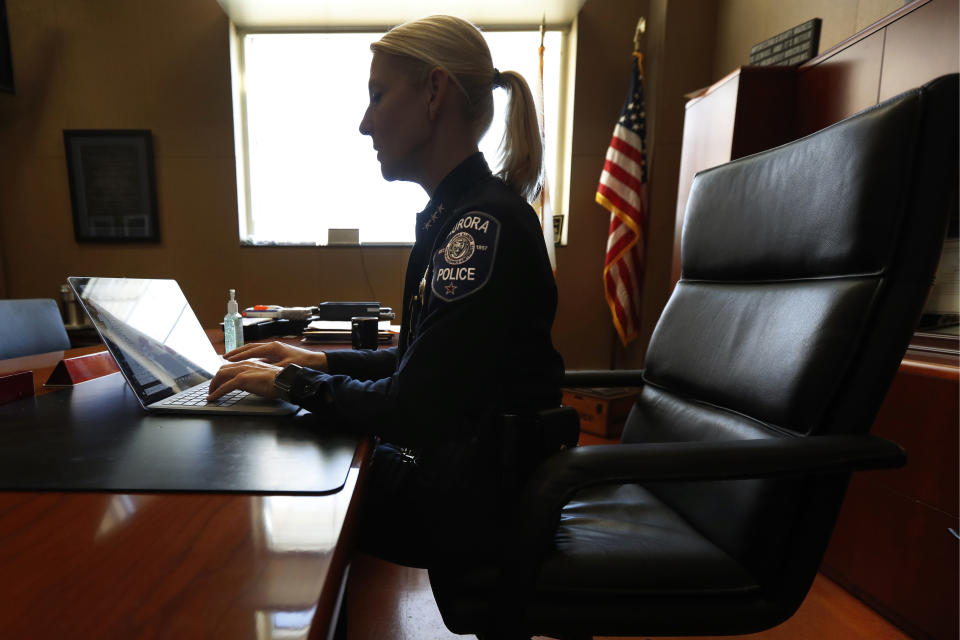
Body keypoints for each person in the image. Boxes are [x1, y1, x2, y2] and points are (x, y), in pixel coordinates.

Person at [208, 15, 564, 568]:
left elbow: (413, 406)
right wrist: (316, 359)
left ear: (434, 92)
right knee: (291, 447)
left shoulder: (479, 228)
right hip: (469, 471)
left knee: (268, 476)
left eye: (377, 96)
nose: (364, 124)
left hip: (476, 501)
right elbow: (427, 367)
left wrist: (291, 383)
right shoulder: (463, 213)